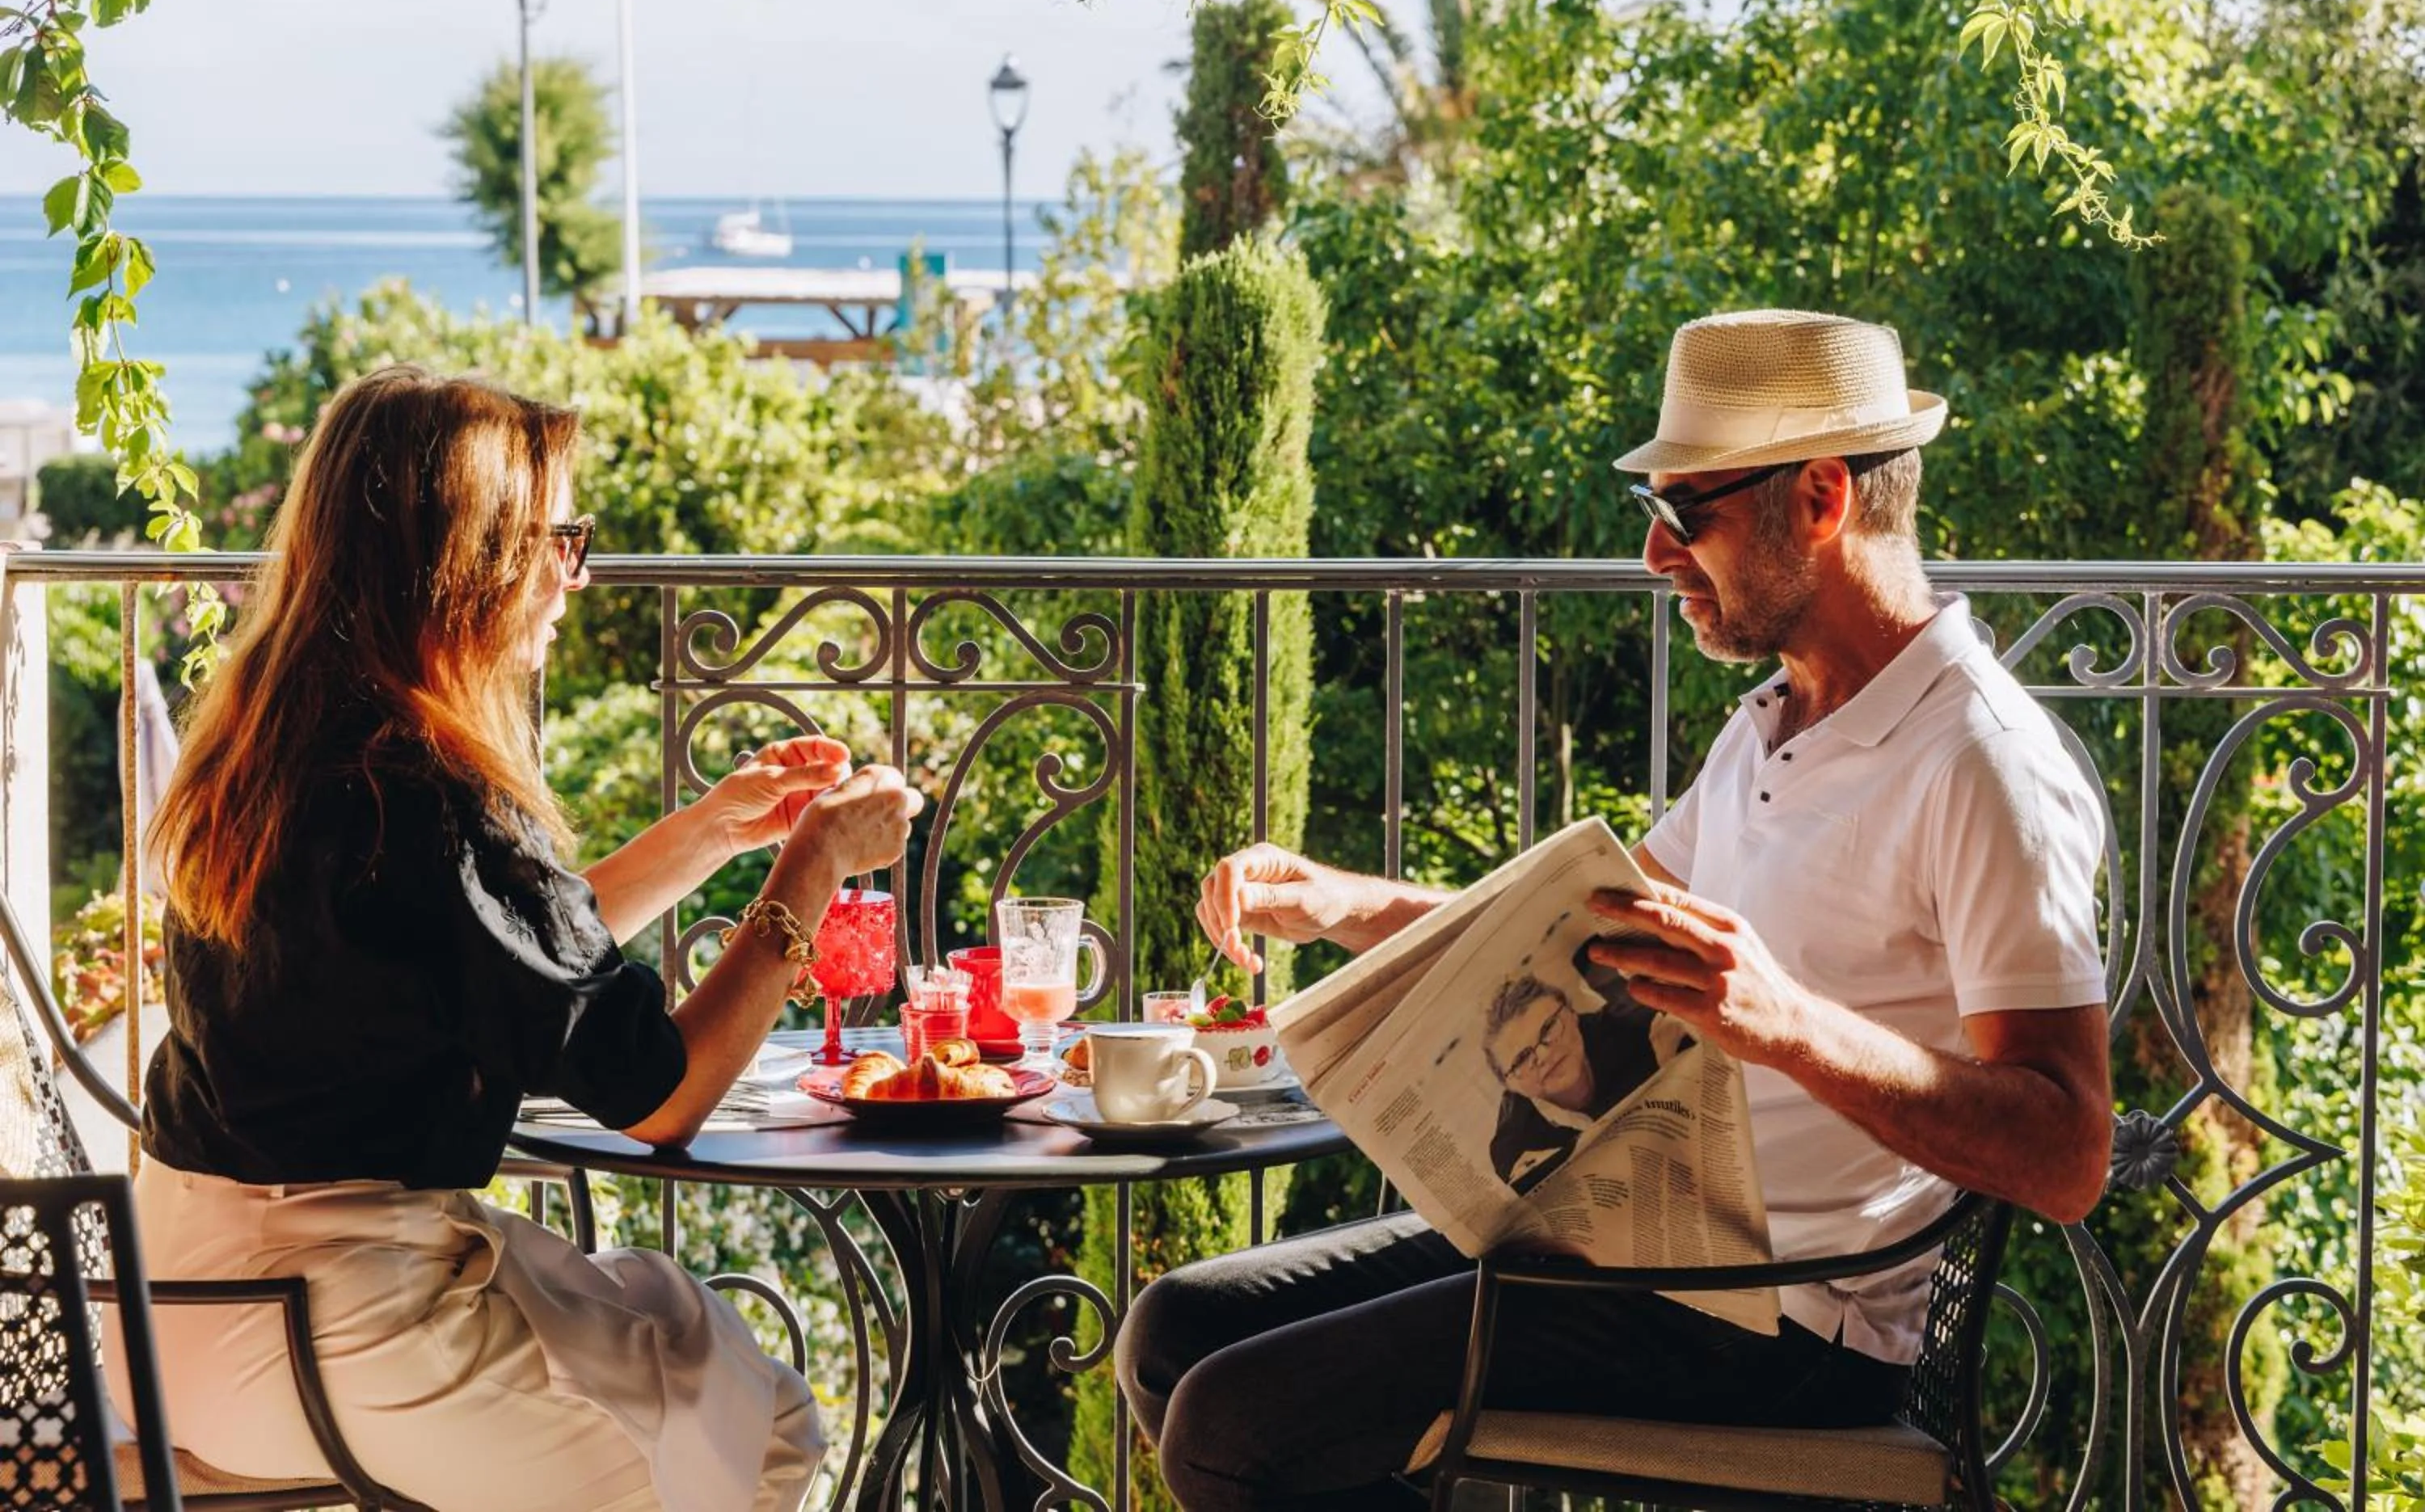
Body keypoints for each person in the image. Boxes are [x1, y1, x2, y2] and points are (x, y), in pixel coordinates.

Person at [1119, 309, 2115, 1512]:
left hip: (1787, 1317)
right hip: (1636, 1233)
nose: (1653, 555)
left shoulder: (1983, 762)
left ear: (1820, 497)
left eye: (1685, 512)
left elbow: (2069, 1153)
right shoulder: (1778, 724)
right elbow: (1574, 929)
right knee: (1174, 1330)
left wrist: (1786, 1023)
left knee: (1232, 1430)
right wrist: (1346, 902)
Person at [109, 366, 922, 1512]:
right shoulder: (431, 789)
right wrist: (815, 868)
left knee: (731, 1386)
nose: (575, 576)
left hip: (170, 1305)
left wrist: (709, 833)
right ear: (471, 559)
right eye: (561, 540)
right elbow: (662, 1098)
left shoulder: (269, 748)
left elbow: (493, 950)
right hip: (328, 1323)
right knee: (737, 1445)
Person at [1482, 968, 1682, 1191]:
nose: (1544, 1055)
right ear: (1510, 1085)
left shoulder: (1637, 1026)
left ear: (1572, 1013)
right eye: (1521, 1059)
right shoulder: (1516, 1149)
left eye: (1548, 1029)